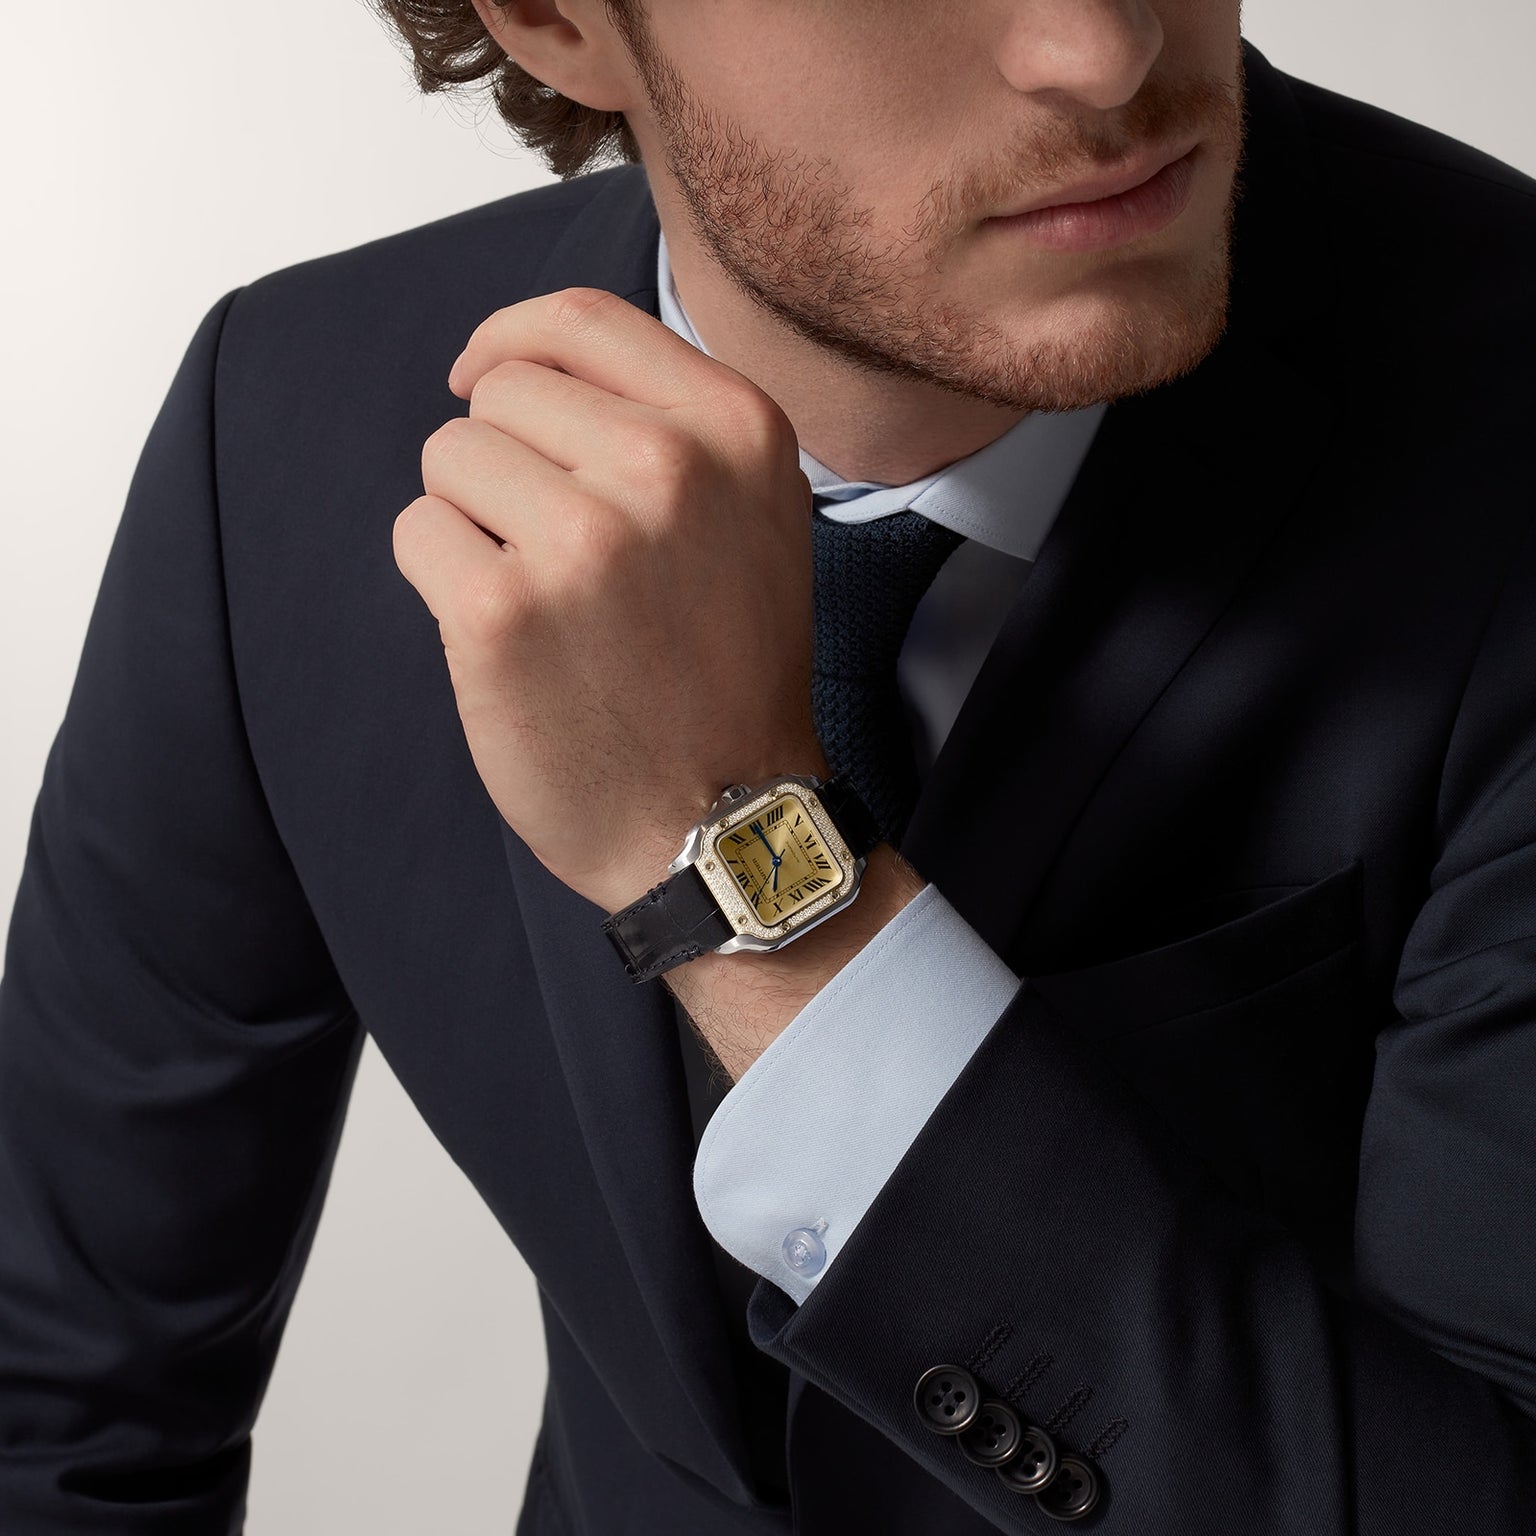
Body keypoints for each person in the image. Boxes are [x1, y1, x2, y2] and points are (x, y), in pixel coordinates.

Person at [1, 0, 1533, 1530]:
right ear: (552, 21)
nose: (1101, 48)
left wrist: (748, 878)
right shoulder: (287, 420)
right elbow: (64, 1404)